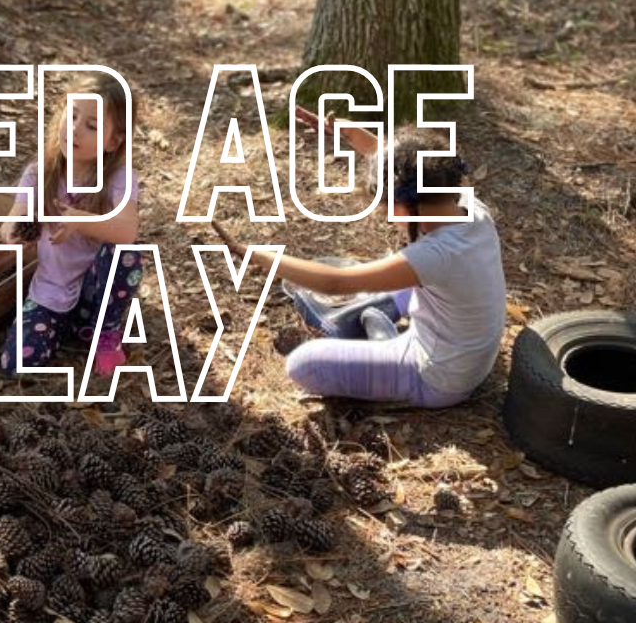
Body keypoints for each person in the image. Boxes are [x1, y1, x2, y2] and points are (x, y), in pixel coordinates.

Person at [216, 108, 506, 409]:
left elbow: (334, 282)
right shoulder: (470, 207)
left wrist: (259, 255)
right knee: (398, 275)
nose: (390, 219)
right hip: (468, 355)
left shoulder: (434, 255)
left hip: (437, 378)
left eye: (387, 212)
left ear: (402, 207)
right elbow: (407, 168)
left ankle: (381, 335)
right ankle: (374, 322)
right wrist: (347, 132)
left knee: (304, 364)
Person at [0, 73, 142, 377]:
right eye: (72, 114)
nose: (75, 129)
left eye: (91, 126)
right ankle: (63, 327)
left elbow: (127, 231)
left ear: (114, 141)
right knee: (16, 364)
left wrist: (79, 220)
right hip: (51, 288)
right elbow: (12, 219)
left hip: (96, 289)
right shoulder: (39, 174)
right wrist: (18, 231)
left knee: (126, 255)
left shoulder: (119, 178)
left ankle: (104, 332)